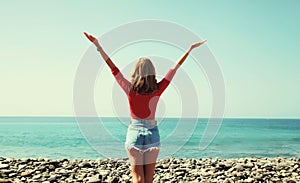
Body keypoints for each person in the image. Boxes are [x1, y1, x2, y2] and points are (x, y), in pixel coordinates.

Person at [84, 32, 206, 183]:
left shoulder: (129, 88)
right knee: (148, 180)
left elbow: (113, 68)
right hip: (152, 133)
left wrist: (98, 46)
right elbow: (175, 68)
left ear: (135, 73)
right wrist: (189, 49)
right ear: (152, 73)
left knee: (138, 179)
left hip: (134, 132)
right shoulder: (158, 88)